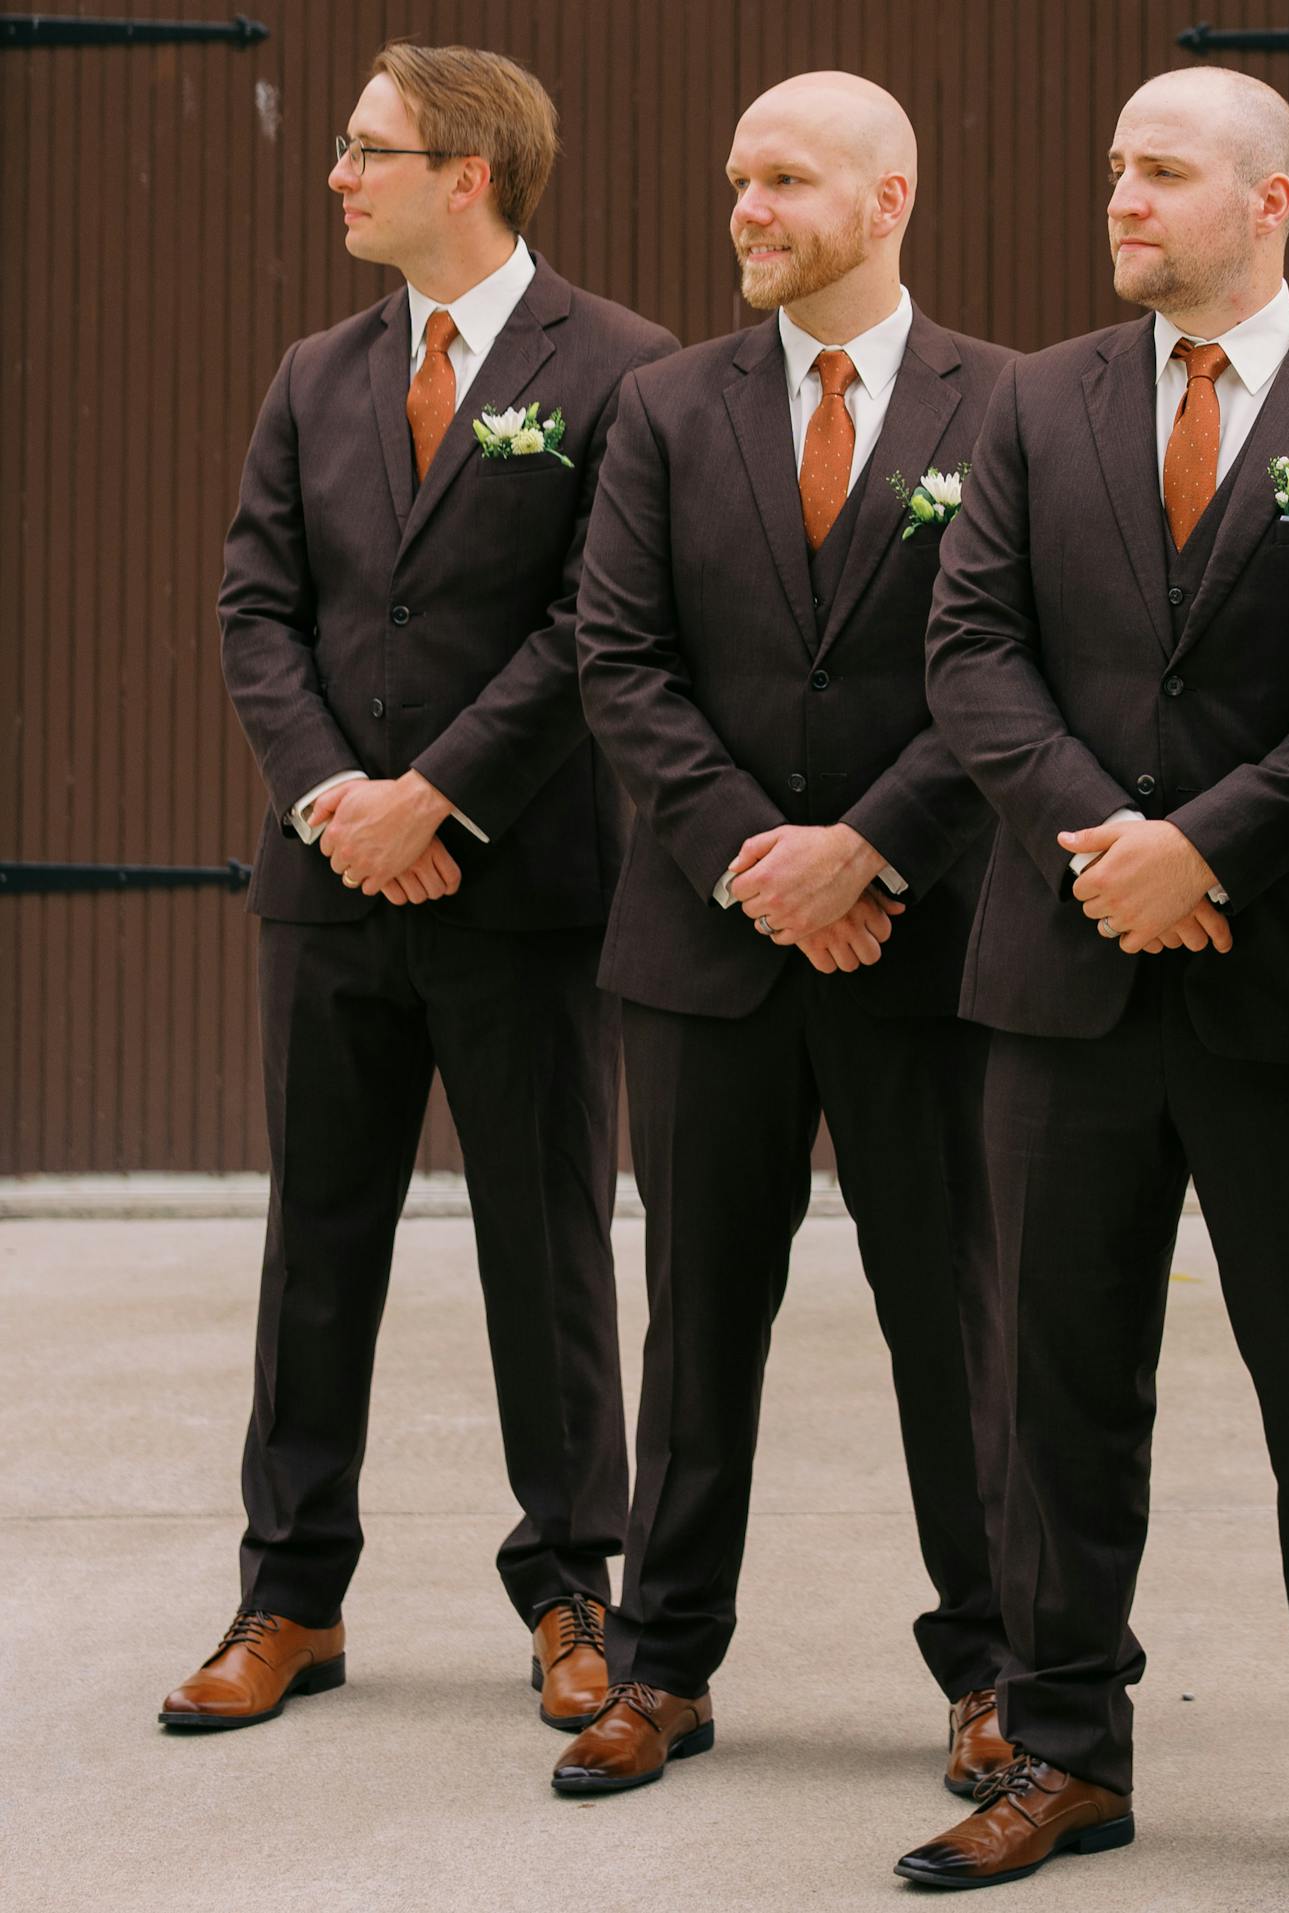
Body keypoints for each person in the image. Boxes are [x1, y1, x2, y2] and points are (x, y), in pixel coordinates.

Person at [896, 66, 1289, 1892]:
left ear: (1271, 198)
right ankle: (1061, 1748)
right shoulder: (1035, 402)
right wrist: (1102, 849)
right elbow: (969, 652)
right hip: (1065, 987)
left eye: (1163, 170)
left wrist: (1211, 847)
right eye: (1115, 164)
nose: (1120, 195)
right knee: (1050, 1394)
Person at [173, 39, 669, 1738]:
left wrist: (438, 795)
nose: (336, 173)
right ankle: (289, 1593)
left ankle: (571, 1590)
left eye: (366, 147)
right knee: (316, 1240)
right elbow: (259, 604)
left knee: (547, 1248)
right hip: (328, 893)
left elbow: (597, 624)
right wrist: (334, 798)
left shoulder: (618, 369)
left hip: (518, 886)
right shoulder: (314, 372)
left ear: (467, 173)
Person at [556, 71, 1017, 1801]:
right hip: (709, 945)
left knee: (953, 1314)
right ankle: (662, 1659)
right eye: (737, 179)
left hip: (926, 945)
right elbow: (621, 660)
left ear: (889, 196)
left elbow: (1005, 667)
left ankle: (994, 1664)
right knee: (699, 1312)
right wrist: (762, 856)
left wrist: (870, 853)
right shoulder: (667, 410)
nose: (746, 210)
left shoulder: (1013, 405)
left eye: (785, 182)